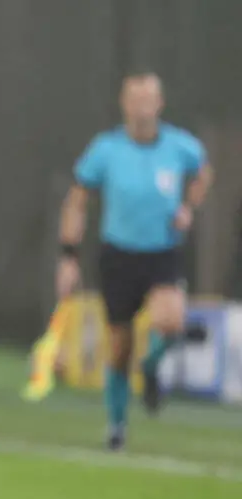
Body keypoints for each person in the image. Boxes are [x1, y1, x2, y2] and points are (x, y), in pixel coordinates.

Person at [57, 71, 213, 450]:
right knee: (119, 347)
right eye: (135, 100)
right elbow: (77, 200)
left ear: (160, 104)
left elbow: (203, 173)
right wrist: (68, 255)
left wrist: (188, 208)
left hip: (162, 253)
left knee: (171, 321)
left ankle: (152, 365)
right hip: (119, 256)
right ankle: (117, 425)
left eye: (148, 100)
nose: (142, 108)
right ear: (124, 104)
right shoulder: (106, 150)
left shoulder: (180, 147)